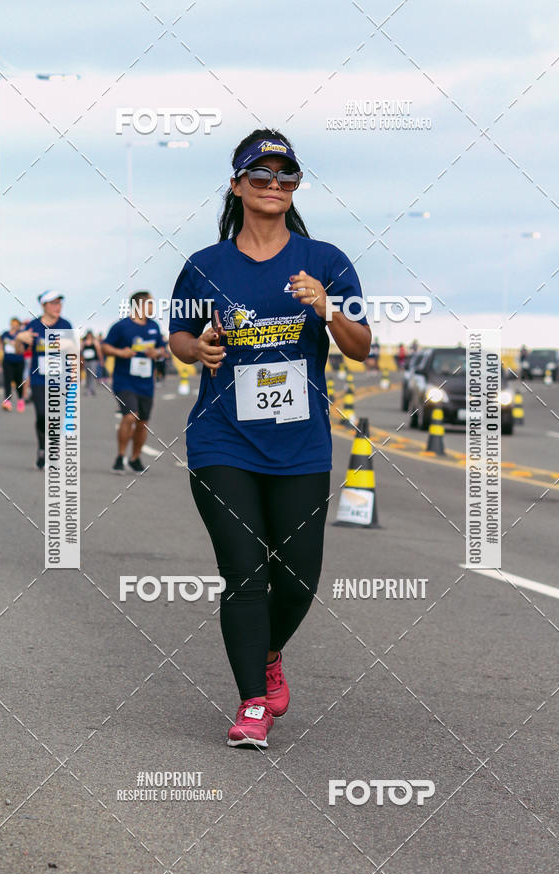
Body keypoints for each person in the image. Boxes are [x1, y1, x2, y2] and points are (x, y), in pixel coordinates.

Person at [169, 129, 371, 749]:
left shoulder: (328, 261)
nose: (274, 187)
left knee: (299, 578)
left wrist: (329, 311)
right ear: (237, 186)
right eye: (261, 177)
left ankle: (270, 651)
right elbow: (178, 338)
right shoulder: (204, 265)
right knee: (244, 573)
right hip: (222, 441)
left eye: (286, 177)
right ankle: (252, 701)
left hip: (301, 444)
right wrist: (196, 347)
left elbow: (364, 350)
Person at [102, 291, 166, 473]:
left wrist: (157, 353)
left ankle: (135, 458)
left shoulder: (154, 326)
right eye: (150, 304)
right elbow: (105, 346)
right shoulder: (121, 327)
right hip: (124, 381)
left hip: (146, 382)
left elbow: (162, 349)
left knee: (142, 422)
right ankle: (120, 456)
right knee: (130, 415)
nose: (153, 307)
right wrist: (121, 353)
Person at [15, 291, 72, 469]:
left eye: (59, 303)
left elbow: (72, 346)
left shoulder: (65, 324)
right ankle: (42, 448)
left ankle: (52, 451)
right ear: (44, 305)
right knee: (41, 414)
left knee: (55, 416)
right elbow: (19, 350)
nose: (58, 307)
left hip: (61, 378)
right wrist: (18, 338)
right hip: (40, 378)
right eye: (54, 303)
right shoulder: (33, 326)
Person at [0, 317, 25, 412]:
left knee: (18, 381)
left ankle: (21, 399)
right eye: (12, 323)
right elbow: (1, 347)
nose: (14, 325)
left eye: (16, 323)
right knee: (7, 381)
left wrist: (16, 343)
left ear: (19, 325)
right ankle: (7, 401)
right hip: (7, 361)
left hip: (18, 361)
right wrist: (0, 361)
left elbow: (24, 348)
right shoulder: (5, 335)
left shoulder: (21, 335)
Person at [80, 330, 103, 396]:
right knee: (87, 375)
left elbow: (99, 351)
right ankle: (88, 389)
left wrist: (101, 360)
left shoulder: (95, 342)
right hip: (86, 361)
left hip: (93, 361)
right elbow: (81, 352)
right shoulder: (84, 342)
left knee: (92, 375)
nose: (89, 336)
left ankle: (91, 389)